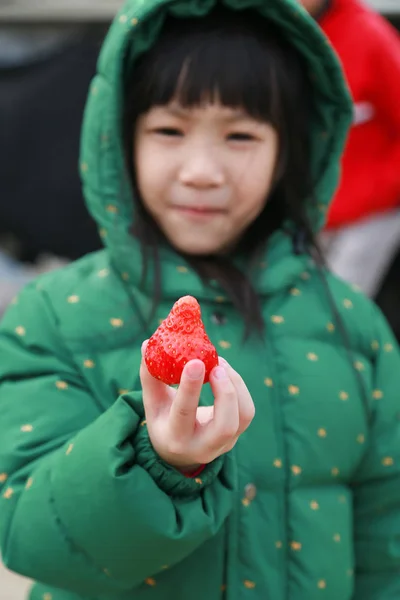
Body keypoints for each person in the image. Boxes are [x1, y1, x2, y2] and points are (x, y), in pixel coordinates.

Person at [0, 1, 400, 599]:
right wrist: (159, 462)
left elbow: (384, 546)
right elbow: (31, 535)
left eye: (241, 135)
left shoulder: (355, 327)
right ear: (118, 140)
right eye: (169, 130)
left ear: (290, 152)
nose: (202, 171)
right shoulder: (54, 316)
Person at [301, 0, 400, 298]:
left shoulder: (368, 34)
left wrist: (384, 186)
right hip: (305, 211)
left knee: (341, 305)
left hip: (367, 215)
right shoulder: (274, 28)